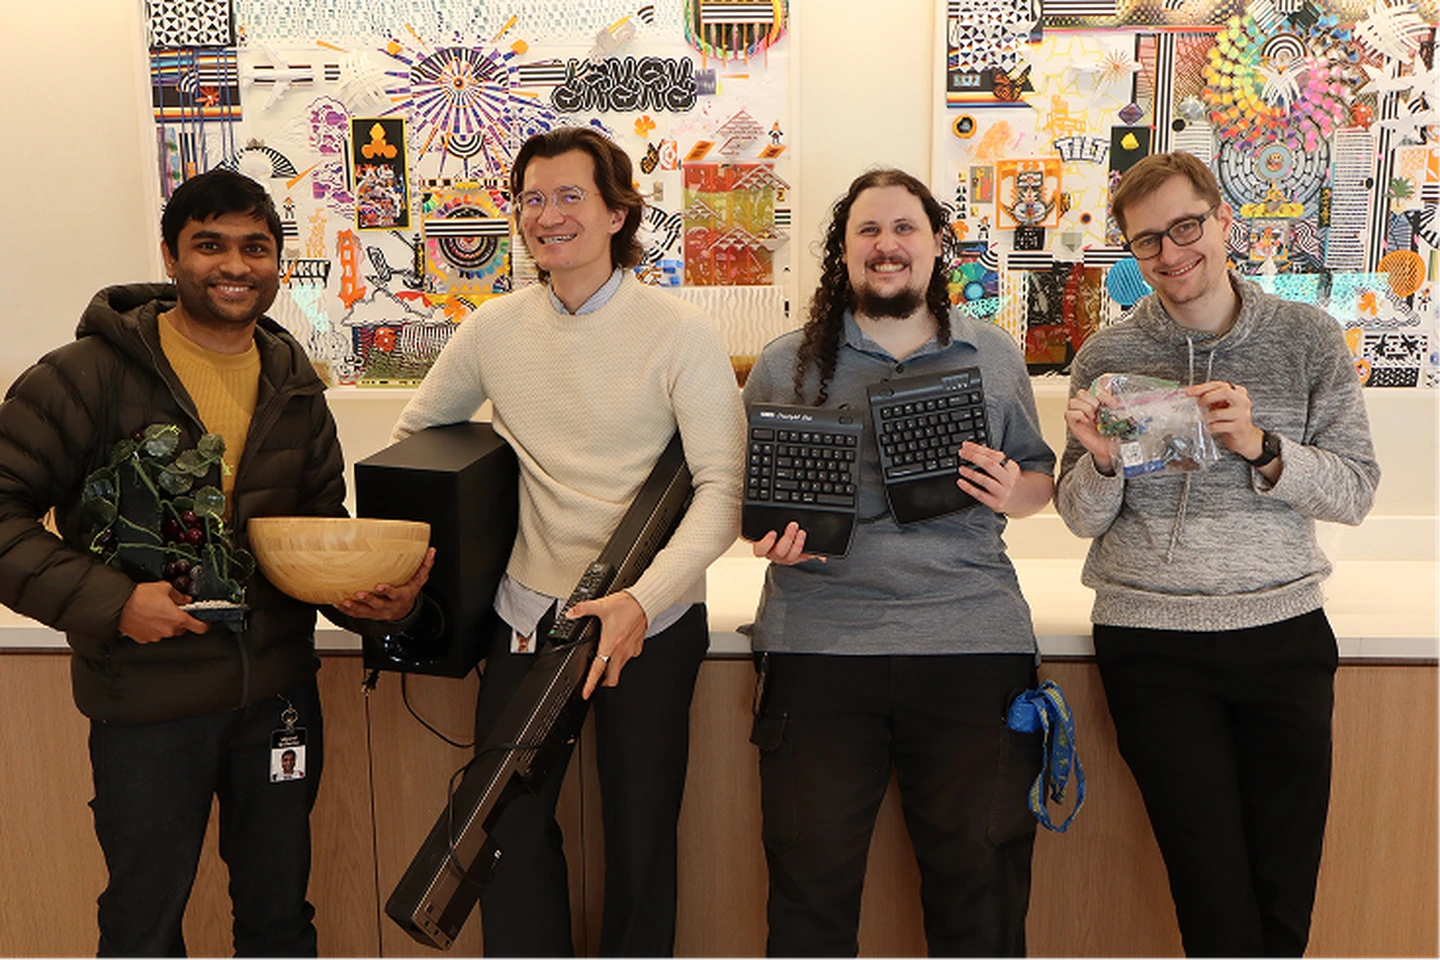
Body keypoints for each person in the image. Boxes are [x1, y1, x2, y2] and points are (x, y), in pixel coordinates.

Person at [0, 168, 431, 959]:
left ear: (277, 263)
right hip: (147, 700)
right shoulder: (83, 376)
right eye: (210, 245)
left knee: (279, 920)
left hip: (276, 698)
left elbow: (313, 531)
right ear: (170, 256)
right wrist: (113, 602)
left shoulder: (294, 384)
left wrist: (373, 603)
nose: (235, 265)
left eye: (255, 248)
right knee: (142, 927)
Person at [391, 127, 744, 959]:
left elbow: (724, 493)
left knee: (640, 837)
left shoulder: (680, 332)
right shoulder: (492, 330)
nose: (547, 215)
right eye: (532, 199)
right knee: (504, 833)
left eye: (570, 196)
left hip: (650, 622)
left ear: (618, 212)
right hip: (528, 616)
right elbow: (417, 441)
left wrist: (641, 602)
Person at [1056, 151, 1379, 959]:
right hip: (1151, 644)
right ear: (1133, 252)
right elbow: (1078, 518)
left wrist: (1262, 445)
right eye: (1148, 240)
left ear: (1224, 220)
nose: (1171, 253)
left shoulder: (1307, 340)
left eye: (1186, 227)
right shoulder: (1106, 359)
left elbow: (1354, 491)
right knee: (1212, 898)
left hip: (1282, 635)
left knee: (1283, 895)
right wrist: (1102, 461)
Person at [743, 168, 1055, 960]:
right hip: (819, 646)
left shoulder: (993, 353)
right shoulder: (786, 364)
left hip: (971, 642)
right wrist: (765, 536)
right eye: (869, 230)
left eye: (904, 228)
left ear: (937, 243)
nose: (887, 245)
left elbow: (1040, 478)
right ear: (843, 250)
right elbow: (747, 495)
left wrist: (1014, 488)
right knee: (808, 900)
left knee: (980, 901)